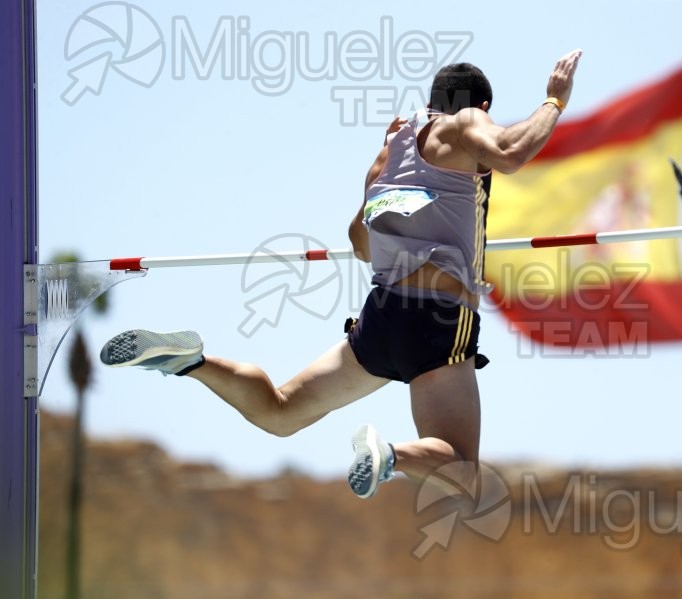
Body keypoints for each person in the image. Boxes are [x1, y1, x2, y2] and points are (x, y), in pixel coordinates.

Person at [100, 49, 583, 499]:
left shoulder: (392, 147)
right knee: (461, 469)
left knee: (281, 411)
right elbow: (512, 152)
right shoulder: (465, 123)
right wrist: (553, 101)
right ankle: (389, 455)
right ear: (477, 104)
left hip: (382, 318)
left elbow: (360, 240)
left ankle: (190, 361)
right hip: (438, 319)